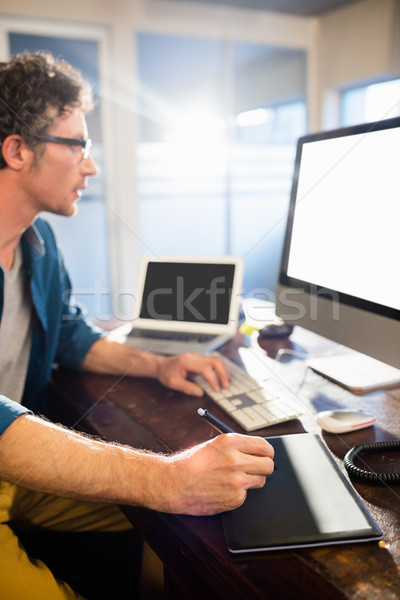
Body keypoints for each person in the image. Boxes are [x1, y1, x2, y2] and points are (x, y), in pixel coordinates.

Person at [0, 52, 275, 599]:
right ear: (17, 149)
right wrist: (165, 477)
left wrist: (159, 364)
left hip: (14, 472)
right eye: (77, 145)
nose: (91, 165)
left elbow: (70, 334)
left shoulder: (39, 243)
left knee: (172, 528)